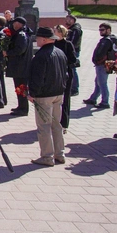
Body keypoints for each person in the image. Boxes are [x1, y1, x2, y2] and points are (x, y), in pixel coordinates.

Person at [27, 27, 68, 167]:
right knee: (56, 124)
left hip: (44, 95)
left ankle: (47, 156)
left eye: (38, 38)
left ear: (44, 39)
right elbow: (66, 74)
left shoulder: (41, 55)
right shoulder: (60, 52)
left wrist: (32, 93)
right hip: (58, 92)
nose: (36, 41)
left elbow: (38, 77)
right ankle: (60, 153)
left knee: (44, 126)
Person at [84, 22, 117, 109]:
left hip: (102, 64)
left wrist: (96, 60)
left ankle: (105, 102)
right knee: (98, 82)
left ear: (108, 30)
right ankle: (93, 98)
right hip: (108, 63)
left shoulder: (106, 40)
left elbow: (100, 53)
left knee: (102, 83)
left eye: (102, 30)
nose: (100, 31)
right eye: (99, 30)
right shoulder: (114, 38)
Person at [4, 17, 33, 117]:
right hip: (20, 65)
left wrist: (7, 53)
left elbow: (20, 50)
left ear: (19, 24)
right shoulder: (23, 33)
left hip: (21, 66)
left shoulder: (21, 35)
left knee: (22, 87)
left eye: (14, 23)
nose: (13, 25)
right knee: (19, 87)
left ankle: (23, 108)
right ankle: (21, 106)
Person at [53, 25, 77, 133]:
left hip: (65, 74)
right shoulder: (52, 43)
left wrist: (61, 61)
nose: (53, 32)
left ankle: (64, 124)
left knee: (65, 99)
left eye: (55, 31)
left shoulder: (68, 44)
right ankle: (54, 122)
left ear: (61, 33)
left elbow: (73, 59)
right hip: (54, 74)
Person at [65, 15, 83, 96]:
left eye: (68, 19)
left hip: (74, 51)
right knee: (71, 69)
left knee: (73, 70)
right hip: (73, 51)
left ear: (72, 20)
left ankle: (75, 88)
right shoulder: (72, 28)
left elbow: (72, 42)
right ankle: (71, 87)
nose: (66, 21)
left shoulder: (75, 29)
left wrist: (68, 49)